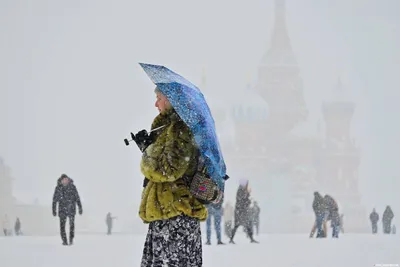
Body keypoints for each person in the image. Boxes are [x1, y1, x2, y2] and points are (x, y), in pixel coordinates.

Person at [139, 88, 207, 266]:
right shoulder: (171, 127)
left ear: (170, 101)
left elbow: (169, 170)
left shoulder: (179, 128)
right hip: (171, 212)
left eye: (159, 98)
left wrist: (147, 153)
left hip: (175, 215)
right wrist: (150, 145)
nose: (156, 104)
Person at [52, 174, 83, 245]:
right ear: (61, 180)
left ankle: (71, 239)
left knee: (71, 225)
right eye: (64, 180)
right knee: (62, 226)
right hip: (62, 210)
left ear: (68, 180)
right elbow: (54, 200)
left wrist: (80, 208)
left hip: (71, 209)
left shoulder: (72, 187)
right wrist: (54, 210)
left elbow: (77, 198)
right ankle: (64, 240)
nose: (65, 181)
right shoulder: (58, 188)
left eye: (66, 179)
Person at [229, 179, 258, 244]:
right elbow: (241, 201)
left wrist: (248, 196)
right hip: (240, 211)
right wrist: (248, 198)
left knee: (246, 225)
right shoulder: (241, 190)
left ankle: (251, 238)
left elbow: (243, 200)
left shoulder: (243, 190)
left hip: (241, 211)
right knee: (238, 225)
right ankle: (231, 239)